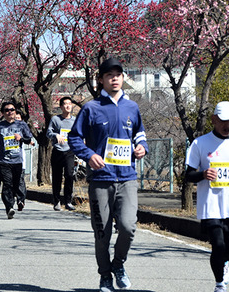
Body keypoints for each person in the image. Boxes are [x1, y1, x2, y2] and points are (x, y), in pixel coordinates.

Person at [68, 57, 148, 292]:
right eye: (109, 75)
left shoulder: (132, 107)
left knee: (128, 226)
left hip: (127, 178)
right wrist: (89, 155)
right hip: (101, 180)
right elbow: (74, 137)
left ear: (123, 78)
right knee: (102, 232)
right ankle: (105, 276)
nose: (115, 78)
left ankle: (118, 265)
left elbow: (140, 133)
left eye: (118, 74)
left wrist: (142, 147)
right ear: (101, 79)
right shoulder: (91, 108)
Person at [185, 101, 229, 292]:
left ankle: (224, 263)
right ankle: (219, 284)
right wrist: (203, 174)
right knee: (218, 245)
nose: (228, 125)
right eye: (224, 121)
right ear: (214, 120)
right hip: (210, 205)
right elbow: (188, 175)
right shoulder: (200, 143)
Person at [0, 101, 33, 219]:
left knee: (17, 183)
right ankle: (9, 207)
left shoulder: (22, 125)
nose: (10, 112)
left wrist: (21, 138)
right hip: (4, 160)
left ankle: (21, 200)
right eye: (7, 110)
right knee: (7, 184)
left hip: (18, 160)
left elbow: (28, 139)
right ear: (3, 113)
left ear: (15, 112)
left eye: (12, 110)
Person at [47, 96, 77, 211]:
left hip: (69, 151)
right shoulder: (55, 120)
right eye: (65, 104)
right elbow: (48, 133)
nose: (68, 106)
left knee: (69, 175)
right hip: (57, 151)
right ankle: (56, 200)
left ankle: (68, 201)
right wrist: (56, 135)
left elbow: (78, 134)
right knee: (57, 177)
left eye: (70, 103)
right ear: (61, 106)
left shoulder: (75, 121)